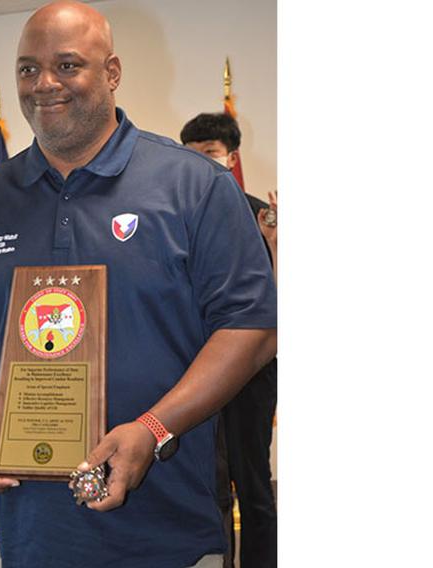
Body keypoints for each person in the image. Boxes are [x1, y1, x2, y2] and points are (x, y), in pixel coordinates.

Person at [0, 2, 276, 567]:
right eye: (27, 69)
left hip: (169, 534)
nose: (44, 84)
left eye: (67, 65)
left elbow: (253, 328)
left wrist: (153, 428)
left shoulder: (195, 187)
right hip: (33, 539)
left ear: (111, 73)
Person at [182, 112, 279, 568]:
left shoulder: (262, 215)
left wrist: (277, 245)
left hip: (254, 372)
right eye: (191, 156)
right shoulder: (178, 216)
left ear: (232, 157)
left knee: (253, 484)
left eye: (211, 155)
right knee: (210, 484)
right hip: (198, 369)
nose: (202, 165)